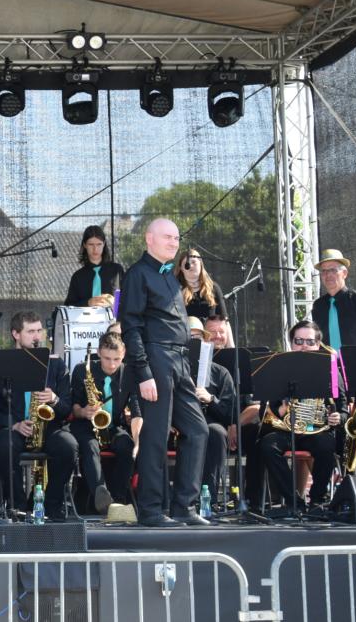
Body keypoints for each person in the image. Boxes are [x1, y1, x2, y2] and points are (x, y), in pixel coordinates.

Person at [119, 218, 209, 526]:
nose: (174, 242)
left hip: (180, 360)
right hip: (156, 359)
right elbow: (131, 326)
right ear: (149, 239)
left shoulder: (169, 275)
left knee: (198, 430)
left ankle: (185, 506)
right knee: (156, 436)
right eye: (168, 237)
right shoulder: (137, 274)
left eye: (176, 238)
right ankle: (151, 510)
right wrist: (143, 372)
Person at [256, 321, 344, 511]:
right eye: (299, 341)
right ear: (291, 343)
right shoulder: (278, 368)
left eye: (310, 341)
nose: (304, 345)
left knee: (326, 445)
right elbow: (266, 408)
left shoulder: (330, 370)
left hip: (316, 429)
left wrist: (338, 417)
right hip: (286, 429)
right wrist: (280, 409)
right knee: (268, 445)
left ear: (318, 344)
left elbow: (343, 407)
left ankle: (317, 500)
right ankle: (294, 501)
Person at [0, 312, 69, 514]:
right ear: (16, 334)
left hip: (47, 428)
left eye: (39, 331)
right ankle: (18, 506)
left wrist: (54, 399)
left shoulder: (56, 364)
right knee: (4, 445)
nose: (37, 337)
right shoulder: (2, 364)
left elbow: (66, 408)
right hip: (15, 429)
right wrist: (14, 425)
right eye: (31, 331)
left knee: (68, 446)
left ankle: (49, 504)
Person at [62, 325, 142, 516]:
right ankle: (101, 494)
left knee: (127, 446)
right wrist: (84, 411)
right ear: (98, 353)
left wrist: (137, 442)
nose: (112, 365)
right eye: (107, 358)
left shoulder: (130, 374)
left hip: (113, 425)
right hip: (85, 424)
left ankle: (118, 501)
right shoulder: (82, 370)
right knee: (90, 446)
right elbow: (73, 407)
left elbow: (137, 413)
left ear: (124, 354)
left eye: (117, 359)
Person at [191, 317, 238, 502]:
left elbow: (229, 413)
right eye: (190, 338)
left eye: (198, 338)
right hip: (178, 423)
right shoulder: (171, 369)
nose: (194, 343)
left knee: (217, 432)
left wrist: (211, 399)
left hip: (208, 423)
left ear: (205, 340)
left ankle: (207, 499)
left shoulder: (221, 373)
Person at [309, 249, 356, 349]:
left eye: (333, 270)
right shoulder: (318, 306)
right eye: (324, 271)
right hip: (327, 358)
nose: (328, 275)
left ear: (344, 273)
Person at [64, 225, 125, 308]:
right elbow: (69, 306)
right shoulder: (78, 277)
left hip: (113, 316)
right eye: (91, 244)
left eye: (99, 244)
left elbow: (127, 298)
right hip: (86, 316)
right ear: (85, 245)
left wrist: (115, 303)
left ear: (104, 244)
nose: (95, 249)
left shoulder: (117, 271)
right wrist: (87, 303)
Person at [178, 248, 228, 322]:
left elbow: (224, 319)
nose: (191, 266)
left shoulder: (213, 287)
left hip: (210, 329)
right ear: (181, 268)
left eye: (194, 262)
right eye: (186, 264)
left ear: (200, 263)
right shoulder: (176, 289)